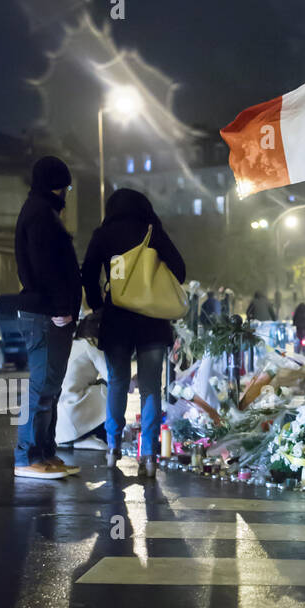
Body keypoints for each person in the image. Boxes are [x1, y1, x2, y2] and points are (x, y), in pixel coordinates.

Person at [81, 188, 186, 479]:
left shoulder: (103, 235)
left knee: (117, 382)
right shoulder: (153, 232)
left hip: (117, 320)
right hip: (152, 321)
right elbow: (180, 269)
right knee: (151, 387)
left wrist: (100, 304)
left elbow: (88, 274)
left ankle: (112, 448)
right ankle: (149, 455)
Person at [13, 155, 82, 480]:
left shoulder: (43, 211)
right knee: (42, 387)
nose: (66, 193)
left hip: (49, 312)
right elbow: (45, 267)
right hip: (45, 313)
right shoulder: (41, 215)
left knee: (50, 387)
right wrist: (59, 308)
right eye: (64, 186)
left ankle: (44, 452)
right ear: (56, 185)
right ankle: (27, 456)